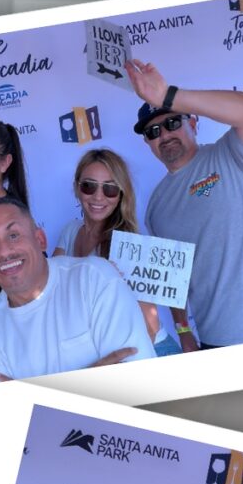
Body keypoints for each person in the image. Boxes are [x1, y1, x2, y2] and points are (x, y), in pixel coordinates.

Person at [126, 57, 243, 350]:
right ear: (148, 143)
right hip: (220, 341)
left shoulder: (235, 153)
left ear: (193, 121)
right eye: (153, 132)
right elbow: (173, 279)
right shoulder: (156, 206)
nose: (164, 135)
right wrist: (183, 331)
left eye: (172, 122)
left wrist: (169, 96)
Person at [0, 196, 156, 383]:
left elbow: (139, 386)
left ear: (40, 239)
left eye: (13, 235)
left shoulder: (94, 279)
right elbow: (8, 412)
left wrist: (35, 401)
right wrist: (91, 380)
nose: (4, 251)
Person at [52, 147, 172, 353]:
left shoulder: (130, 245)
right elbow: (52, 291)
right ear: (76, 187)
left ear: (120, 195)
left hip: (149, 352)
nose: (98, 197)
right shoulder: (70, 231)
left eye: (110, 188)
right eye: (89, 186)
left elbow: (149, 329)